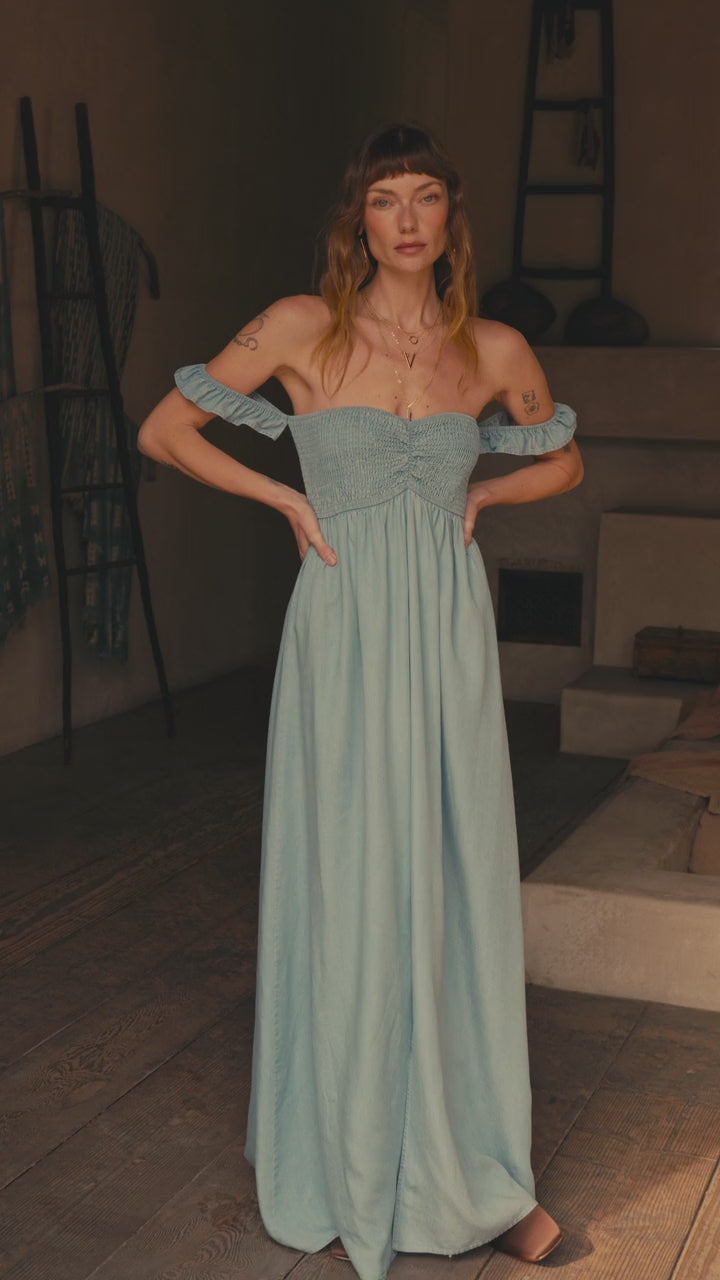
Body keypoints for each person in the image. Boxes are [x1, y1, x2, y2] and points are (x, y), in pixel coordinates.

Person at [138, 123, 583, 1280]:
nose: (407, 218)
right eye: (386, 199)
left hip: (446, 639)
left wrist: (485, 496)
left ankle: (474, 1171)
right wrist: (285, 500)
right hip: (340, 633)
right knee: (348, 879)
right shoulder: (301, 327)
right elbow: (166, 429)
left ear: (450, 217)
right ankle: (345, 1159)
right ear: (360, 219)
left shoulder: (493, 347)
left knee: (452, 882)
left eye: (426, 195)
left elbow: (566, 459)